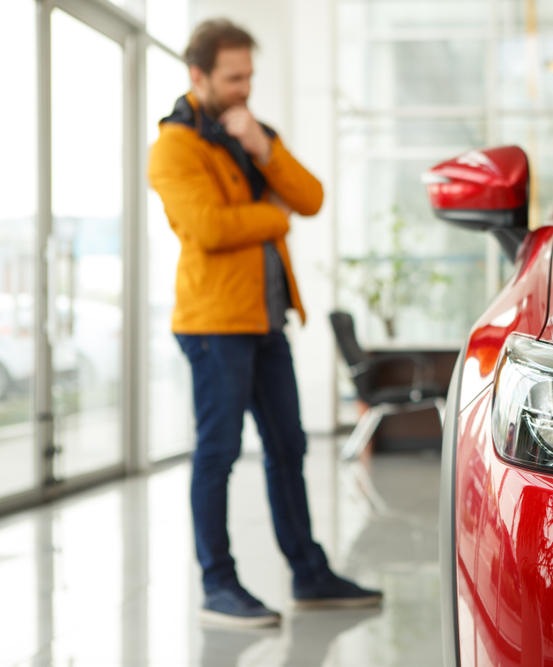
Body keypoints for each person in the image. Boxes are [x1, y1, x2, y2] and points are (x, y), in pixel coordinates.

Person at [148, 18, 381, 629]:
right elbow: (209, 229)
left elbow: (310, 197)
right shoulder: (174, 148)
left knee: (288, 447)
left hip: (265, 320)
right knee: (219, 452)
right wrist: (270, 217)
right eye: (232, 78)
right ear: (197, 75)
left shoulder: (249, 132)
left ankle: (309, 574)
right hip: (214, 324)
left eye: (249, 76)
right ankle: (217, 584)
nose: (244, 88)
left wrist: (264, 148)